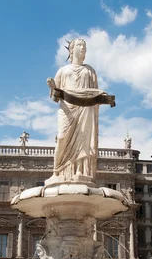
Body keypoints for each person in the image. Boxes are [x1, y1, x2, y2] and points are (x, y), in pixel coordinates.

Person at [46, 38, 114, 184]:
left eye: (84, 46)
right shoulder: (63, 71)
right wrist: (52, 87)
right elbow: (54, 98)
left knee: (84, 140)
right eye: (79, 45)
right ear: (71, 49)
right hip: (67, 109)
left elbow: (94, 93)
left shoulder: (89, 71)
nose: (83, 48)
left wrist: (104, 98)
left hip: (85, 109)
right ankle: (56, 171)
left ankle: (80, 171)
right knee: (62, 138)